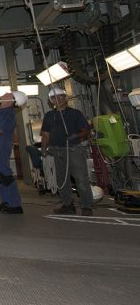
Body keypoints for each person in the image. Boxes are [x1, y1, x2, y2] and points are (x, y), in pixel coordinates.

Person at [41, 87, 93, 216]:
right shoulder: (49, 116)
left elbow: (86, 130)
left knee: (81, 178)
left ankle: (86, 206)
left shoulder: (75, 113)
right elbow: (46, 134)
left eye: (59, 97)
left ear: (65, 98)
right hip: (56, 150)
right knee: (62, 179)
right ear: (50, 100)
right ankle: (68, 204)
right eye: (53, 98)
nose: (56, 99)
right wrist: (43, 149)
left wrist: (75, 136)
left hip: (73, 149)